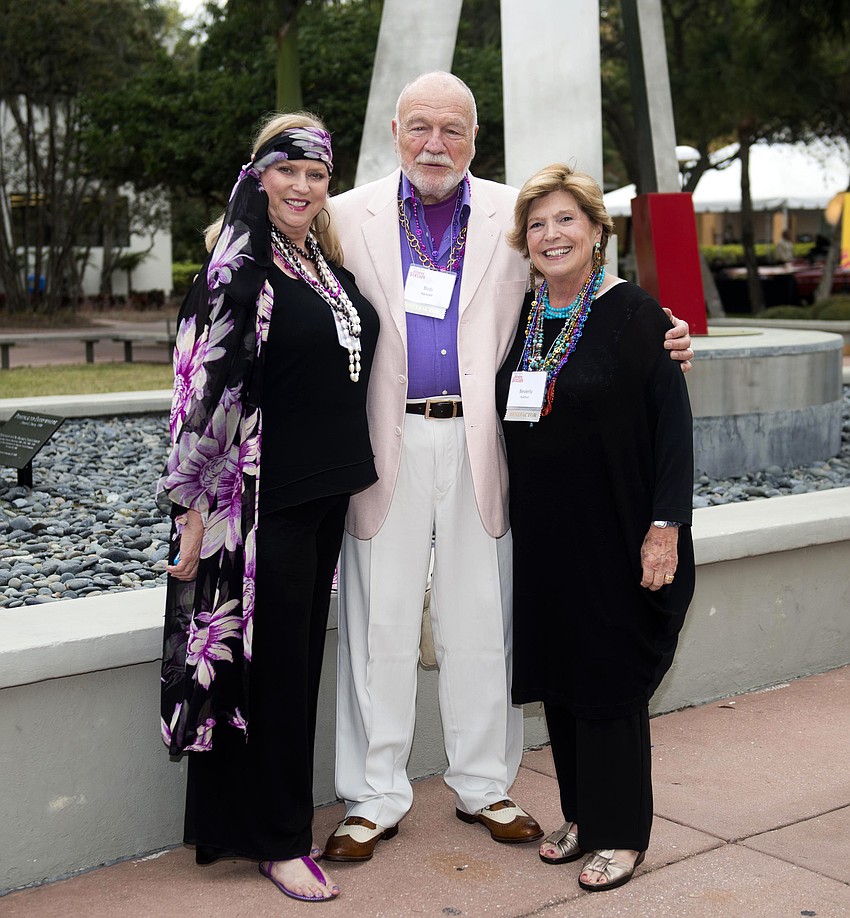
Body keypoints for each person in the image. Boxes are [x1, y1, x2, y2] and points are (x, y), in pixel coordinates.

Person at [323, 71, 694, 863]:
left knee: (481, 622)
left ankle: (484, 784)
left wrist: (666, 331)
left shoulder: (511, 216)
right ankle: (372, 795)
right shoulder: (345, 215)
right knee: (376, 623)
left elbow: (582, 288)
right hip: (385, 444)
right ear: (395, 131)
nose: (435, 144)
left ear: (475, 139)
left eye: (452, 130)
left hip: (485, 443)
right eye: (420, 126)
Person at [157, 112, 380, 902]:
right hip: (263, 502)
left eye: (317, 174)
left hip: (321, 496)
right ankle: (280, 841)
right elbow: (201, 389)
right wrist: (189, 507)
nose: (303, 185)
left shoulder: (317, 256)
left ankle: (230, 823)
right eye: (288, 170)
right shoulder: (237, 265)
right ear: (259, 175)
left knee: (282, 669)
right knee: (278, 676)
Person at [495, 163, 696, 893]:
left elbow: (673, 431)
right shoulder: (523, 317)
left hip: (619, 529)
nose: (551, 235)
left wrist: (664, 527)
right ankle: (580, 814)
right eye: (538, 224)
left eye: (566, 220)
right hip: (547, 536)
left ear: (597, 232)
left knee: (609, 680)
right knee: (563, 676)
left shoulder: (639, 315)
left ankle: (622, 833)